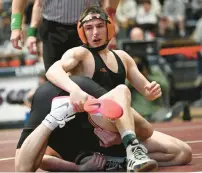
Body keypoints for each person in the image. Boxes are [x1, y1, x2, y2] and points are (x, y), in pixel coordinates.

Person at [15, 6, 192, 172]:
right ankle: (131, 149)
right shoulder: (80, 54)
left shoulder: (123, 57)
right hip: (92, 124)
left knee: (183, 152)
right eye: (89, 28)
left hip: (120, 127)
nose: (95, 32)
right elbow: (53, 70)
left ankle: (120, 160)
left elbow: (147, 91)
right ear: (82, 32)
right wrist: (74, 89)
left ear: (109, 28)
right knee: (121, 90)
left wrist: (152, 90)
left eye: (99, 26)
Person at [10, 0, 120, 71]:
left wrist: (110, 28)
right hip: (53, 30)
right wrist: (17, 27)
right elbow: (38, 3)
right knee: (55, 81)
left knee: (90, 78)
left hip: (87, 28)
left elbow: (110, 3)